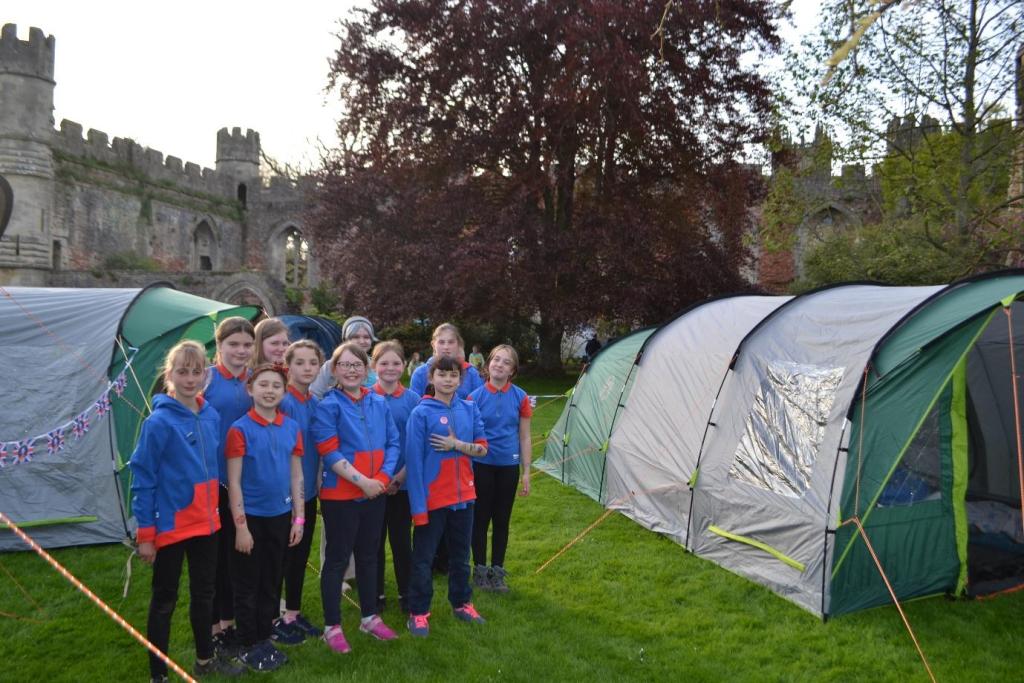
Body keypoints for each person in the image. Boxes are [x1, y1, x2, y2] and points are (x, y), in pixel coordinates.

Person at [129, 341, 244, 681]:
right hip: (172, 526)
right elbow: (143, 478)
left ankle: (205, 660)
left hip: (207, 524)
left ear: (205, 375)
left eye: (197, 372)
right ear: (170, 375)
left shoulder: (210, 414)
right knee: (164, 600)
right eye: (183, 372)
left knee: (204, 596)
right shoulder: (159, 423)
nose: (190, 379)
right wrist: (146, 534)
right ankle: (158, 673)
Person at [313, 342, 400, 653]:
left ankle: (369, 617)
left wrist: (383, 479)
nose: (351, 370)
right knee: (337, 559)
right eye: (344, 365)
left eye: (357, 365)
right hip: (342, 496)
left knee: (369, 555)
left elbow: (393, 442)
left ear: (367, 370)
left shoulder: (378, 402)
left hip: (375, 492)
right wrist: (362, 481)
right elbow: (328, 449)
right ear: (335, 370)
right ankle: (331, 626)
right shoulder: (328, 405)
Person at [225, 363, 305, 672]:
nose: (270, 390)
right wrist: (241, 528)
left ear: (284, 392)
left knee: (272, 581)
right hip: (251, 519)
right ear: (250, 389)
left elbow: (296, 476)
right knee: (248, 584)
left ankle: (263, 636)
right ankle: (247, 643)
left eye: (276, 386)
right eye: (263, 385)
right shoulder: (239, 429)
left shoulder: (291, 428)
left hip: (281, 516)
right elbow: (234, 482)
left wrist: (299, 519)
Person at [405, 356, 489, 637]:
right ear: (431, 378)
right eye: (442, 374)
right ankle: (418, 612)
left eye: (453, 375)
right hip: (432, 499)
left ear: (460, 379)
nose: (448, 379)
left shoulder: (469, 408)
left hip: (464, 497)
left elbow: (482, 448)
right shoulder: (420, 413)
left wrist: (456, 444)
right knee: (423, 559)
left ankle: (462, 603)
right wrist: (418, 507)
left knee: (461, 557)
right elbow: (414, 463)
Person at [203, 316, 255, 653]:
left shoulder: (254, 380)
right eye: (233, 344)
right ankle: (215, 628)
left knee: (239, 558)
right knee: (215, 560)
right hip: (212, 481)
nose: (240, 351)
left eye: (247, 345)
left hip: (245, 481)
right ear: (219, 345)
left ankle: (231, 622)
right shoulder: (207, 378)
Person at [468, 345, 532, 593]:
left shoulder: (520, 397)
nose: (499, 365)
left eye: (506, 362)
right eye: (496, 360)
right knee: (480, 519)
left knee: (502, 520)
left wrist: (526, 471)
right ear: (488, 364)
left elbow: (525, 436)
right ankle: (480, 569)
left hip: (508, 465)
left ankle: (497, 571)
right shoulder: (474, 397)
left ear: (512, 370)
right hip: (481, 466)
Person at [272, 340, 324, 644]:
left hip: (307, 492)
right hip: (284, 494)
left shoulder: (313, 403)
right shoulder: (283, 401)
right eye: (300, 362)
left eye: (312, 363)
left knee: (299, 556)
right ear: (288, 366)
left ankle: (292, 612)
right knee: (280, 558)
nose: (307, 368)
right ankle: (273, 617)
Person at [370, 341, 421, 615]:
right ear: (373, 365)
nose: (390, 368)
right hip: (373, 484)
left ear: (404, 366)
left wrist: (400, 478)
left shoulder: (412, 399)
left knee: (402, 541)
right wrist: (377, 479)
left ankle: (406, 593)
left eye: (395, 363)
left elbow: (417, 445)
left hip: (402, 484)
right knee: (373, 542)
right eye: (384, 363)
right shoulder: (365, 396)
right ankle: (375, 593)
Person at [409, 322, 483, 399]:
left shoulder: (472, 374)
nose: (446, 347)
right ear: (433, 345)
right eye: (441, 342)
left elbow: (480, 405)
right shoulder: (420, 373)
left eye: (451, 342)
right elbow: (414, 406)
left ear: (458, 345)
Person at [310, 315, 379, 398]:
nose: (362, 341)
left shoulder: (376, 365)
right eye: (356, 337)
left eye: (366, 337)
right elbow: (314, 394)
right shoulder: (332, 364)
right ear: (346, 339)